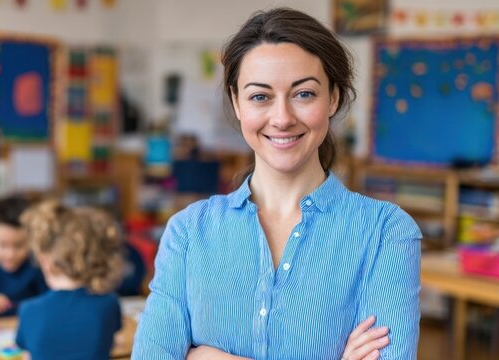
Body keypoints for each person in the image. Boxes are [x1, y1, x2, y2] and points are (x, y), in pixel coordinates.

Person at [133, 7, 422, 360]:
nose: (282, 118)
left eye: (304, 94)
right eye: (260, 96)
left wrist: (206, 357)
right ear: (237, 102)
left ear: (332, 98)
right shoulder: (188, 233)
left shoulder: (386, 232)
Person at [16, 201, 124, 360]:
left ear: (45, 261)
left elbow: (29, 356)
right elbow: (110, 344)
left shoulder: (29, 310)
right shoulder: (109, 303)